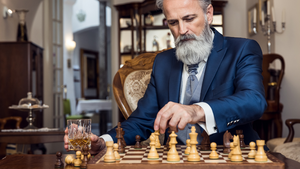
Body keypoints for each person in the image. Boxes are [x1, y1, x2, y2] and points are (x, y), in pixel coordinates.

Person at [64, 0, 267, 154]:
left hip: (232, 157)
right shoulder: (163, 62)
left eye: (189, 19)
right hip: (175, 160)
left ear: (209, 13)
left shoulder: (241, 50)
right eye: (173, 22)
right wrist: (101, 142)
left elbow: (254, 101)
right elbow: (141, 121)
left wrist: (196, 110)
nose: (182, 30)